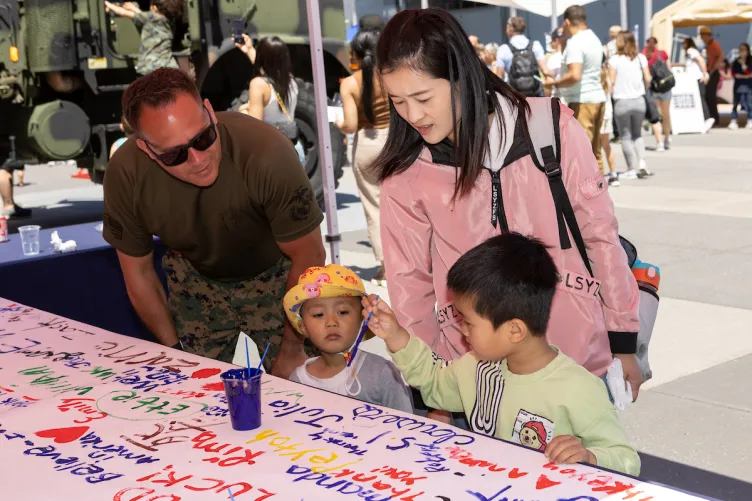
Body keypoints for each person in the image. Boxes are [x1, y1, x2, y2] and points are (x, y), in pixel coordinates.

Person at [373, 9, 641, 424]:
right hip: (475, 380)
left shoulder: (549, 128)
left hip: (576, 362)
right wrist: (433, 392)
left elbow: (600, 236)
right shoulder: (407, 173)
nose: (412, 114)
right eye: (397, 101)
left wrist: (624, 341)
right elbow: (410, 286)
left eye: (423, 98)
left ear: (461, 76)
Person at [103, 68, 326, 377]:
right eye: (174, 155)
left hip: (280, 278)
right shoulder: (126, 175)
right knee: (191, 390)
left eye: (203, 138)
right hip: (196, 278)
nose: (198, 159)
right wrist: (175, 351)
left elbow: (309, 256)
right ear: (146, 149)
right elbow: (138, 273)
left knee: (310, 387)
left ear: (209, 111)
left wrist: (292, 349)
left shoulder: (266, 151)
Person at [362, 233, 641, 476]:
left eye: (468, 322)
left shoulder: (579, 389)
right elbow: (435, 385)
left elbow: (626, 459)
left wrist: (591, 457)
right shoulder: (475, 367)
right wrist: (396, 335)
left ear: (515, 330)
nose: (462, 330)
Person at [283, 264, 413, 413]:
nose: (331, 322)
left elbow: (407, 428)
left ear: (362, 318)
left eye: (343, 312)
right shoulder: (298, 380)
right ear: (304, 326)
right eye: (318, 314)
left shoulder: (383, 374)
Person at [335, 28, 390, 287]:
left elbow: (351, 125)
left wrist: (338, 123)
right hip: (396, 142)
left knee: (374, 208)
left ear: (355, 54)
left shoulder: (350, 84)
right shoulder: (392, 76)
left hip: (368, 144)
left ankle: (386, 269)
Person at [545, 6, 607, 175]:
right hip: (597, 97)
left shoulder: (576, 43)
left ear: (567, 21)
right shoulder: (594, 38)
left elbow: (575, 75)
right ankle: (599, 191)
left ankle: (589, 196)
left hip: (582, 100)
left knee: (582, 153)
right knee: (594, 151)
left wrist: (555, 83)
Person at [235, 36, 299, 144]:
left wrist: (243, 110)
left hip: (270, 149)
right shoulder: (290, 80)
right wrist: (249, 49)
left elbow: (255, 125)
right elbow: (270, 66)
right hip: (291, 148)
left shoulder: (258, 84)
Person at [609, 31, 652, 180]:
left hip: (622, 101)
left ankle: (630, 168)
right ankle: (642, 162)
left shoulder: (615, 60)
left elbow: (611, 82)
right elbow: (648, 78)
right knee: (637, 134)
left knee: (625, 136)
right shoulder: (641, 58)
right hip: (639, 100)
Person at [103, 0, 182, 75]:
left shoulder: (151, 17)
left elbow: (122, 12)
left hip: (151, 66)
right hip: (168, 65)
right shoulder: (169, 22)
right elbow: (145, 17)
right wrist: (134, 8)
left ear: (154, 8)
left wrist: (108, 4)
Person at [496, 17, 551, 96]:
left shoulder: (503, 49)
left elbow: (499, 77)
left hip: (515, 96)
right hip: (535, 94)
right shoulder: (536, 45)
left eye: (507, 28)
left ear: (510, 29)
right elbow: (545, 70)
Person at [642, 36, 672, 151]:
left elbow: (646, 75)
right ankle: (666, 139)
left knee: (657, 116)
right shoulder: (662, 53)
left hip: (654, 88)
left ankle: (660, 141)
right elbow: (668, 68)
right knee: (666, 115)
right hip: (665, 87)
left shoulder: (645, 54)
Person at [682, 37, 715, 133]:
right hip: (694, 79)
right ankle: (703, 120)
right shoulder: (690, 52)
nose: (682, 46)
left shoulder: (691, 51)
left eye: (684, 43)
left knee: (700, 99)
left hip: (698, 79)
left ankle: (707, 118)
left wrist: (704, 74)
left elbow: (701, 61)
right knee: (698, 99)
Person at [699, 26, 725, 126]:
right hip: (710, 72)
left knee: (711, 96)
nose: (701, 38)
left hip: (713, 73)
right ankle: (711, 117)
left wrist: (713, 69)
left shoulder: (714, 44)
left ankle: (714, 118)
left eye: (702, 35)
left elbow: (721, 56)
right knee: (708, 96)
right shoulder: (708, 46)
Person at [600, 66, 619, 187]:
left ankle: (598, 176)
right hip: (607, 114)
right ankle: (613, 174)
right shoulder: (606, 76)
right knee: (606, 145)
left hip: (598, 113)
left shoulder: (592, 76)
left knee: (594, 147)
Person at [729, 43, 752, 130]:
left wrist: (743, 66)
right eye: (740, 50)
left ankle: (750, 119)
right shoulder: (736, 61)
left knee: (749, 103)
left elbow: (750, 73)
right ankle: (733, 120)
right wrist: (745, 76)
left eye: (743, 49)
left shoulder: (750, 60)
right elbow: (734, 74)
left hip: (749, 85)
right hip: (738, 85)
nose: (741, 52)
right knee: (735, 103)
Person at [545, 29, 564, 98]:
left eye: (551, 41)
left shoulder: (553, 59)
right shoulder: (573, 55)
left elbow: (549, 83)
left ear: (556, 41)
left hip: (557, 98)